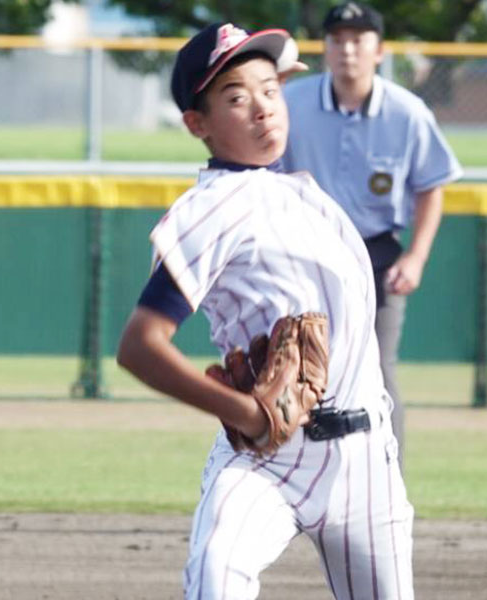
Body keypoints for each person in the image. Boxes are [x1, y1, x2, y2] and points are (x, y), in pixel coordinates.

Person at [117, 22, 414, 600]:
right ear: (197, 124)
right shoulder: (206, 212)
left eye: (270, 90)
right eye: (236, 97)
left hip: (366, 463)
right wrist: (244, 412)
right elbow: (139, 344)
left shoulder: (309, 199)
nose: (262, 108)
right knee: (216, 574)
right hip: (270, 460)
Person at [282, 1, 463, 470]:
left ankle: (386, 476)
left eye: (358, 40)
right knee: (293, 368)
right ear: (324, 47)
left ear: (379, 51)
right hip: (305, 253)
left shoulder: (406, 112)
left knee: (377, 372)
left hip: (376, 254)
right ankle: (296, 475)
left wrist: (416, 257)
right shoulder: (292, 103)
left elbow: (431, 186)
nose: (347, 50)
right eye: (338, 39)